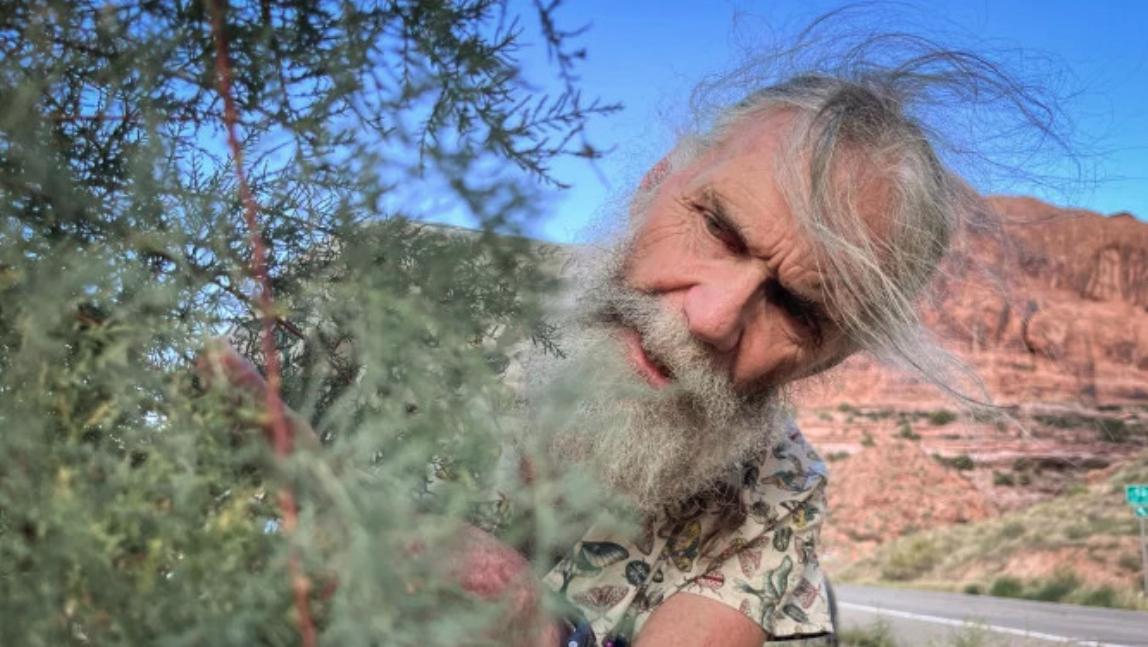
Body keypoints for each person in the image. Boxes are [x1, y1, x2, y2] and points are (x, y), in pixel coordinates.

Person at [203, 30, 1058, 647]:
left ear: (831, 358)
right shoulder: (392, 280)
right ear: (659, 180)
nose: (714, 317)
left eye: (798, 309)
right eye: (719, 229)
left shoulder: (776, 495)